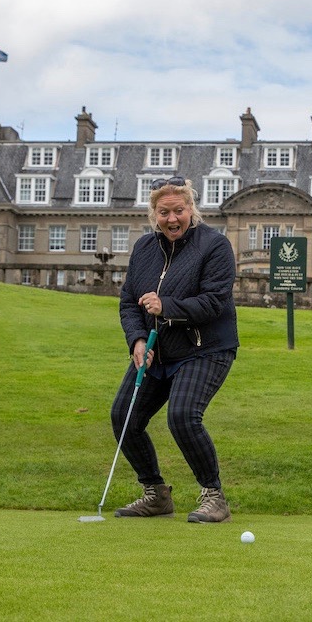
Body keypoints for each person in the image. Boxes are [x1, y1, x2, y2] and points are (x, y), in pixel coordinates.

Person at [112, 177, 239, 523]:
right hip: (157, 351)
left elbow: (214, 302)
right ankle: (155, 493)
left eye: (178, 211)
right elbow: (128, 302)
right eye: (164, 212)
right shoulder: (143, 249)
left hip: (206, 348)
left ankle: (214, 496)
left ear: (191, 209)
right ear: (154, 213)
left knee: (182, 416)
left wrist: (166, 306)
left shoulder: (215, 246)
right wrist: (137, 339)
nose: (172, 219)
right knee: (124, 416)